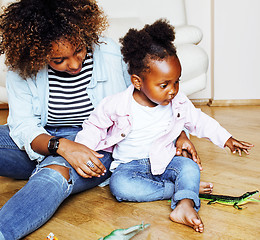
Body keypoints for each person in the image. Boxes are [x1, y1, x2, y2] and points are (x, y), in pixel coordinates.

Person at [0, 1, 205, 239]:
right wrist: (62, 146)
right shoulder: (22, 69)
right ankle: (43, 173)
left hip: (99, 140)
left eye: (79, 50)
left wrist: (179, 134)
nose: (75, 64)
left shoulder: (110, 52)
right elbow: (24, 126)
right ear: (36, 52)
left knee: (55, 173)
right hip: (43, 137)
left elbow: (155, 96)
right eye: (59, 60)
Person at [75, 19, 254, 233]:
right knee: (120, 187)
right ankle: (182, 191)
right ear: (137, 82)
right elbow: (94, 126)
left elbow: (199, 120)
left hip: (166, 161)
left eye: (177, 81)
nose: (173, 90)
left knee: (188, 167)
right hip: (130, 167)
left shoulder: (177, 102)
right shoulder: (116, 104)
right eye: (164, 85)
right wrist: (83, 150)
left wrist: (226, 139)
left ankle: (185, 204)